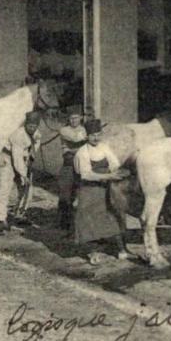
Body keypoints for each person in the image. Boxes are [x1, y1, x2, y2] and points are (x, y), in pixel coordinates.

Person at [72, 119, 134, 264]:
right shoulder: (82, 152)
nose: (95, 138)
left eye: (98, 135)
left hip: (106, 188)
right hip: (89, 190)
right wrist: (109, 176)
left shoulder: (104, 147)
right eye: (92, 135)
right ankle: (92, 252)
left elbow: (114, 163)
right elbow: (86, 175)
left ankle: (122, 250)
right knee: (89, 219)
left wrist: (117, 172)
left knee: (113, 215)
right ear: (87, 136)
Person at [0, 111, 41, 233]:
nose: (32, 128)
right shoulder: (18, 135)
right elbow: (17, 158)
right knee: (4, 188)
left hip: (22, 159)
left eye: (34, 126)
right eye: (29, 125)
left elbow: (34, 148)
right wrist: (23, 174)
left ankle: (20, 213)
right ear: (25, 124)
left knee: (27, 188)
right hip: (7, 159)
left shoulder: (37, 134)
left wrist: (30, 159)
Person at [56, 108, 87, 234]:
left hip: (83, 164)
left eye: (76, 118)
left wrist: (73, 149)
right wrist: (85, 140)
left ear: (81, 118)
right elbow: (75, 139)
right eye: (71, 118)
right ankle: (64, 222)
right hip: (69, 164)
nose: (73, 121)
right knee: (66, 193)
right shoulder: (64, 130)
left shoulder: (84, 129)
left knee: (84, 193)